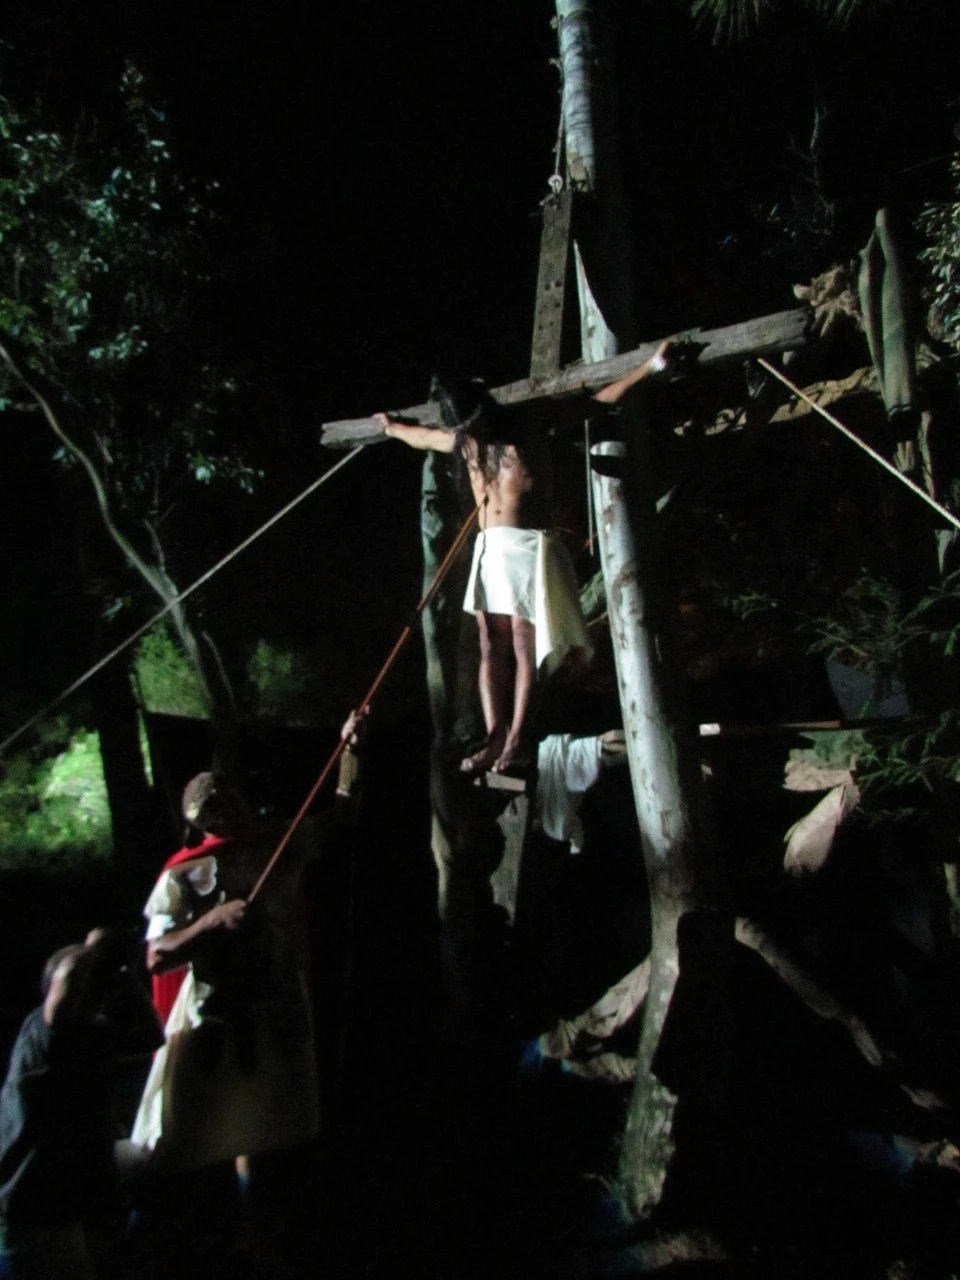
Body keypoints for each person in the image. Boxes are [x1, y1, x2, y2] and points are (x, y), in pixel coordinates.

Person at [377, 339, 674, 774]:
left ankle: (516, 736)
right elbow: (424, 437)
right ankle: (494, 735)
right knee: (488, 642)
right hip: (491, 549)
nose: (471, 430)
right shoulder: (465, 442)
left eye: (474, 421)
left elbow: (595, 402)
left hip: (531, 546)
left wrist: (649, 367)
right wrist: (390, 427)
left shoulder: (528, 426)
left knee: (522, 639)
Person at [130, 771, 321, 1172]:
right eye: (219, 807)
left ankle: (260, 1223)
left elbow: (343, 816)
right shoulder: (184, 873)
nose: (234, 808)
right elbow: (158, 956)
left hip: (278, 1006)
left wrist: (351, 749)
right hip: (218, 1012)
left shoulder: (278, 843)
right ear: (205, 822)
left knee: (268, 1133)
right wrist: (211, 921)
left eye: (233, 797)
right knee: (194, 1133)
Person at [0, 930, 163, 1279]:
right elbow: (71, 975)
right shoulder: (45, 1037)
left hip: (67, 1193)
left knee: (139, 1161)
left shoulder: (92, 1034)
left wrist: (126, 979)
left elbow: (153, 1036)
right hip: (27, 1199)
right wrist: (96, 945)